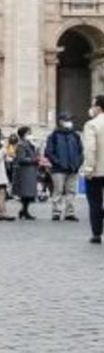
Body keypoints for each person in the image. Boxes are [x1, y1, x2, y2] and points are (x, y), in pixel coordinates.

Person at [45, 112, 84, 222]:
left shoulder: (75, 135)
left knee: (71, 191)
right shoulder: (53, 136)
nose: (70, 122)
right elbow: (48, 152)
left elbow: (81, 151)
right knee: (58, 190)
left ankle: (70, 213)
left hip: (73, 168)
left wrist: (78, 163)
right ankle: (56, 212)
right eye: (67, 120)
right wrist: (58, 162)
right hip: (58, 169)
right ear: (61, 122)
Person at [84, 95, 104, 244]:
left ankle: (97, 233)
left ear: (98, 107)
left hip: (97, 170)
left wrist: (89, 168)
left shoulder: (92, 124)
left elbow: (91, 149)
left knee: (95, 202)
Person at [12, 126, 39, 220]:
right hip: (25, 172)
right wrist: (34, 160)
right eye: (29, 133)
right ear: (23, 134)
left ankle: (24, 210)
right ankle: (24, 211)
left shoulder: (28, 143)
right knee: (25, 193)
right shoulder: (21, 145)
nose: (30, 134)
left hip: (30, 171)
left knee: (28, 193)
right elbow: (21, 159)